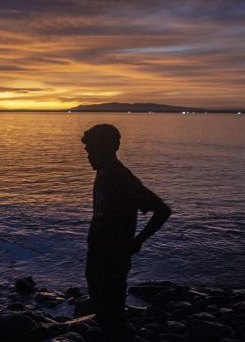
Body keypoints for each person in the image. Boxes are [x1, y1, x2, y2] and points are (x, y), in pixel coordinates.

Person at [81, 124, 171, 341]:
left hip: (113, 257)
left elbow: (162, 211)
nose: (89, 156)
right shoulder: (103, 172)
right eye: (88, 151)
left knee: (113, 314)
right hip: (98, 253)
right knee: (102, 309)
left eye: (93, 150)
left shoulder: (122, 179)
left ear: (110, 148)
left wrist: (138, 241)